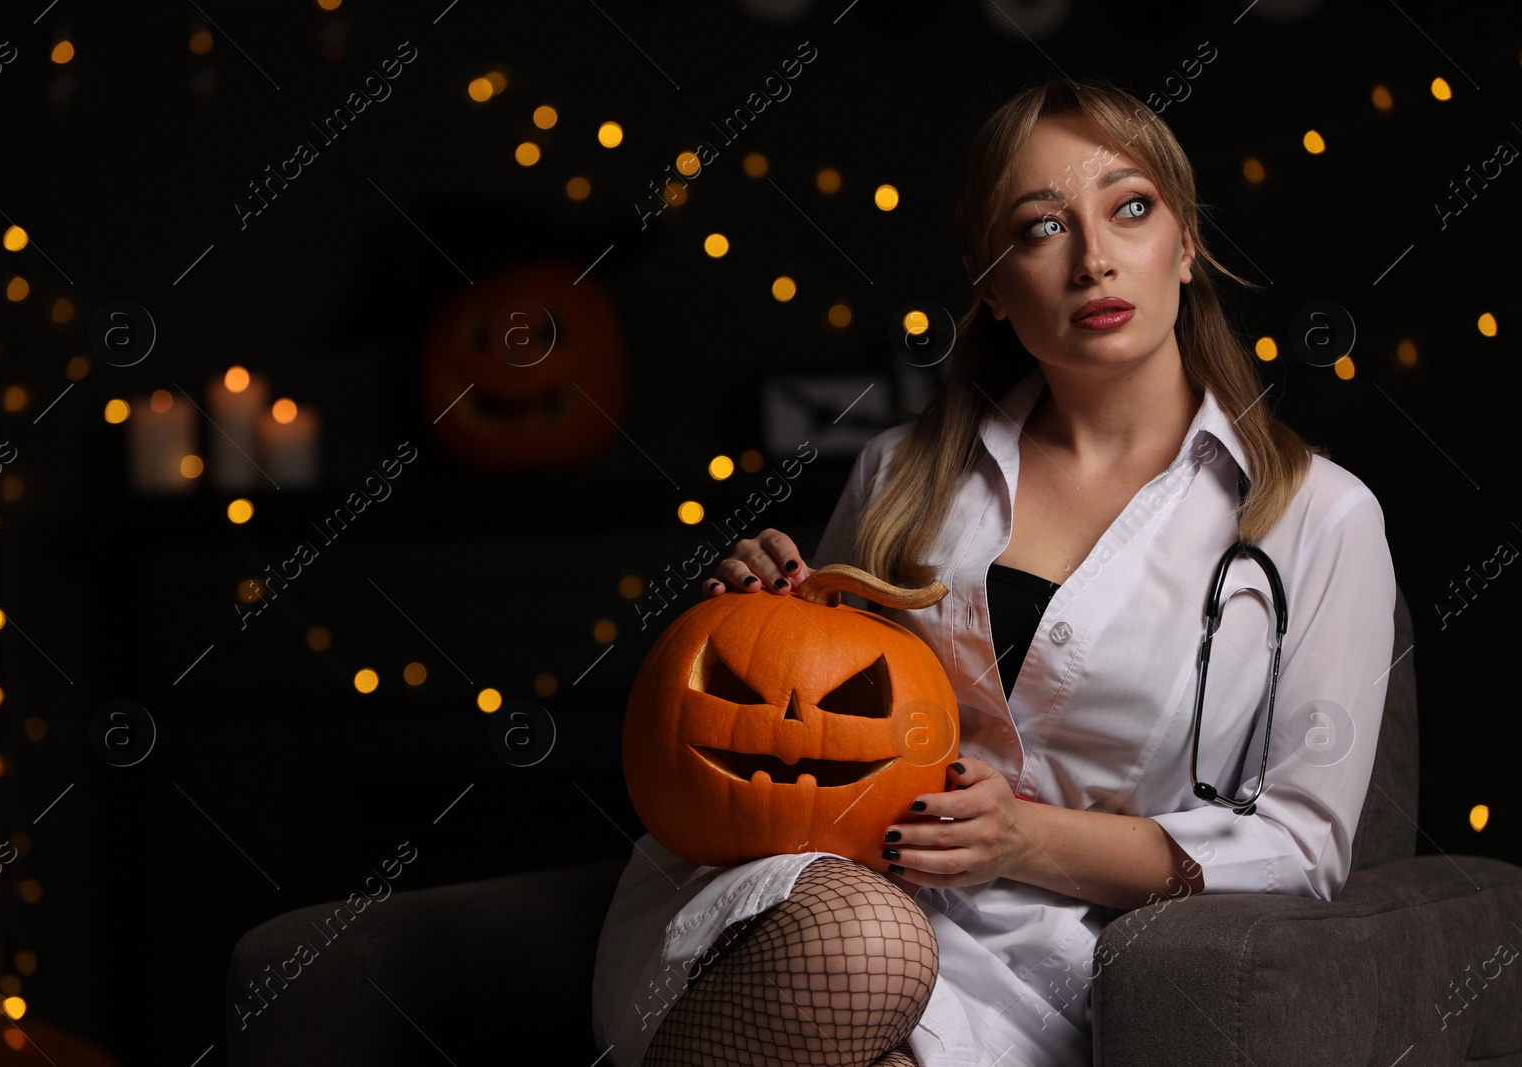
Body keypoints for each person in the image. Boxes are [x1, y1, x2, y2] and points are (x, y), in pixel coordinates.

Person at [591, 75, 1397, 1067]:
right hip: (820, 903)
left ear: (1184, 243)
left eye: (1130, 208)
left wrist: (1025, 839)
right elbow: (817, 711)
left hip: (1049, 961)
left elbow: (1304, 844)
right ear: (989, 281)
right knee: (865, 944)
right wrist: (770, 606)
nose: (1095, 259)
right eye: (1041, 227)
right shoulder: (901, 473)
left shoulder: (1320, 515)